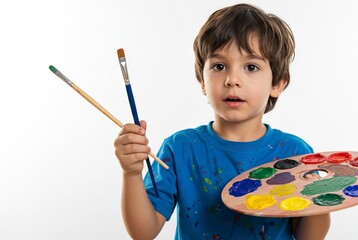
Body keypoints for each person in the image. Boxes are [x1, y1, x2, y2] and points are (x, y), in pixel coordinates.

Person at [114, 3, 330, 240]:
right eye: (219, 66)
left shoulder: (295, 152)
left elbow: (310, 237)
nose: (232, 79)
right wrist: (131, 173)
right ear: (202, 82)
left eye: (251, 67)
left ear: (277, 83)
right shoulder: (180, 148)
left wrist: (314, 196)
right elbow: (143, 232)